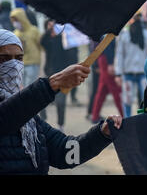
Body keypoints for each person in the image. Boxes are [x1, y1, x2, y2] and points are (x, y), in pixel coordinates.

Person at [0, 29, 122, 174]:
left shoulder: (30, 120)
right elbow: (6, 117)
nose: (13, 65)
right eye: (4, 58)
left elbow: (65, 153)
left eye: (18, 58)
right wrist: (52, 84)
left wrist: (101, 134)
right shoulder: (22, 108)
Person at [115, 13, 147, 117]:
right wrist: (118, 73)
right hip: (128, 73)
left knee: (144, 100)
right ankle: (127, 120)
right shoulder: (124, 35)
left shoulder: (146, 34)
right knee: (127, 100)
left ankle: (142, 118)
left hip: (142, 73)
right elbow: (120, 54)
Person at [40, 20, 72, 132]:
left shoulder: (64, 38)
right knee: (40, 99)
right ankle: (43, 120)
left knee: (61, 102)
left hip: (64, 74)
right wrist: (49, 31)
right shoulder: (47, 39)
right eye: (50, 25)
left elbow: (70, 53)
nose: (52, 27)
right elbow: (42, 41)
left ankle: (61, 125)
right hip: (49, 73)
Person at [91, 40, 124, 123]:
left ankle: (95, 116)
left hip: (103, 58)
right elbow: (107, 42)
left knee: (102, 90)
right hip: (106, 59)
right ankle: (124, 114)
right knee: (116, 89)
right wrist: (110, 63)